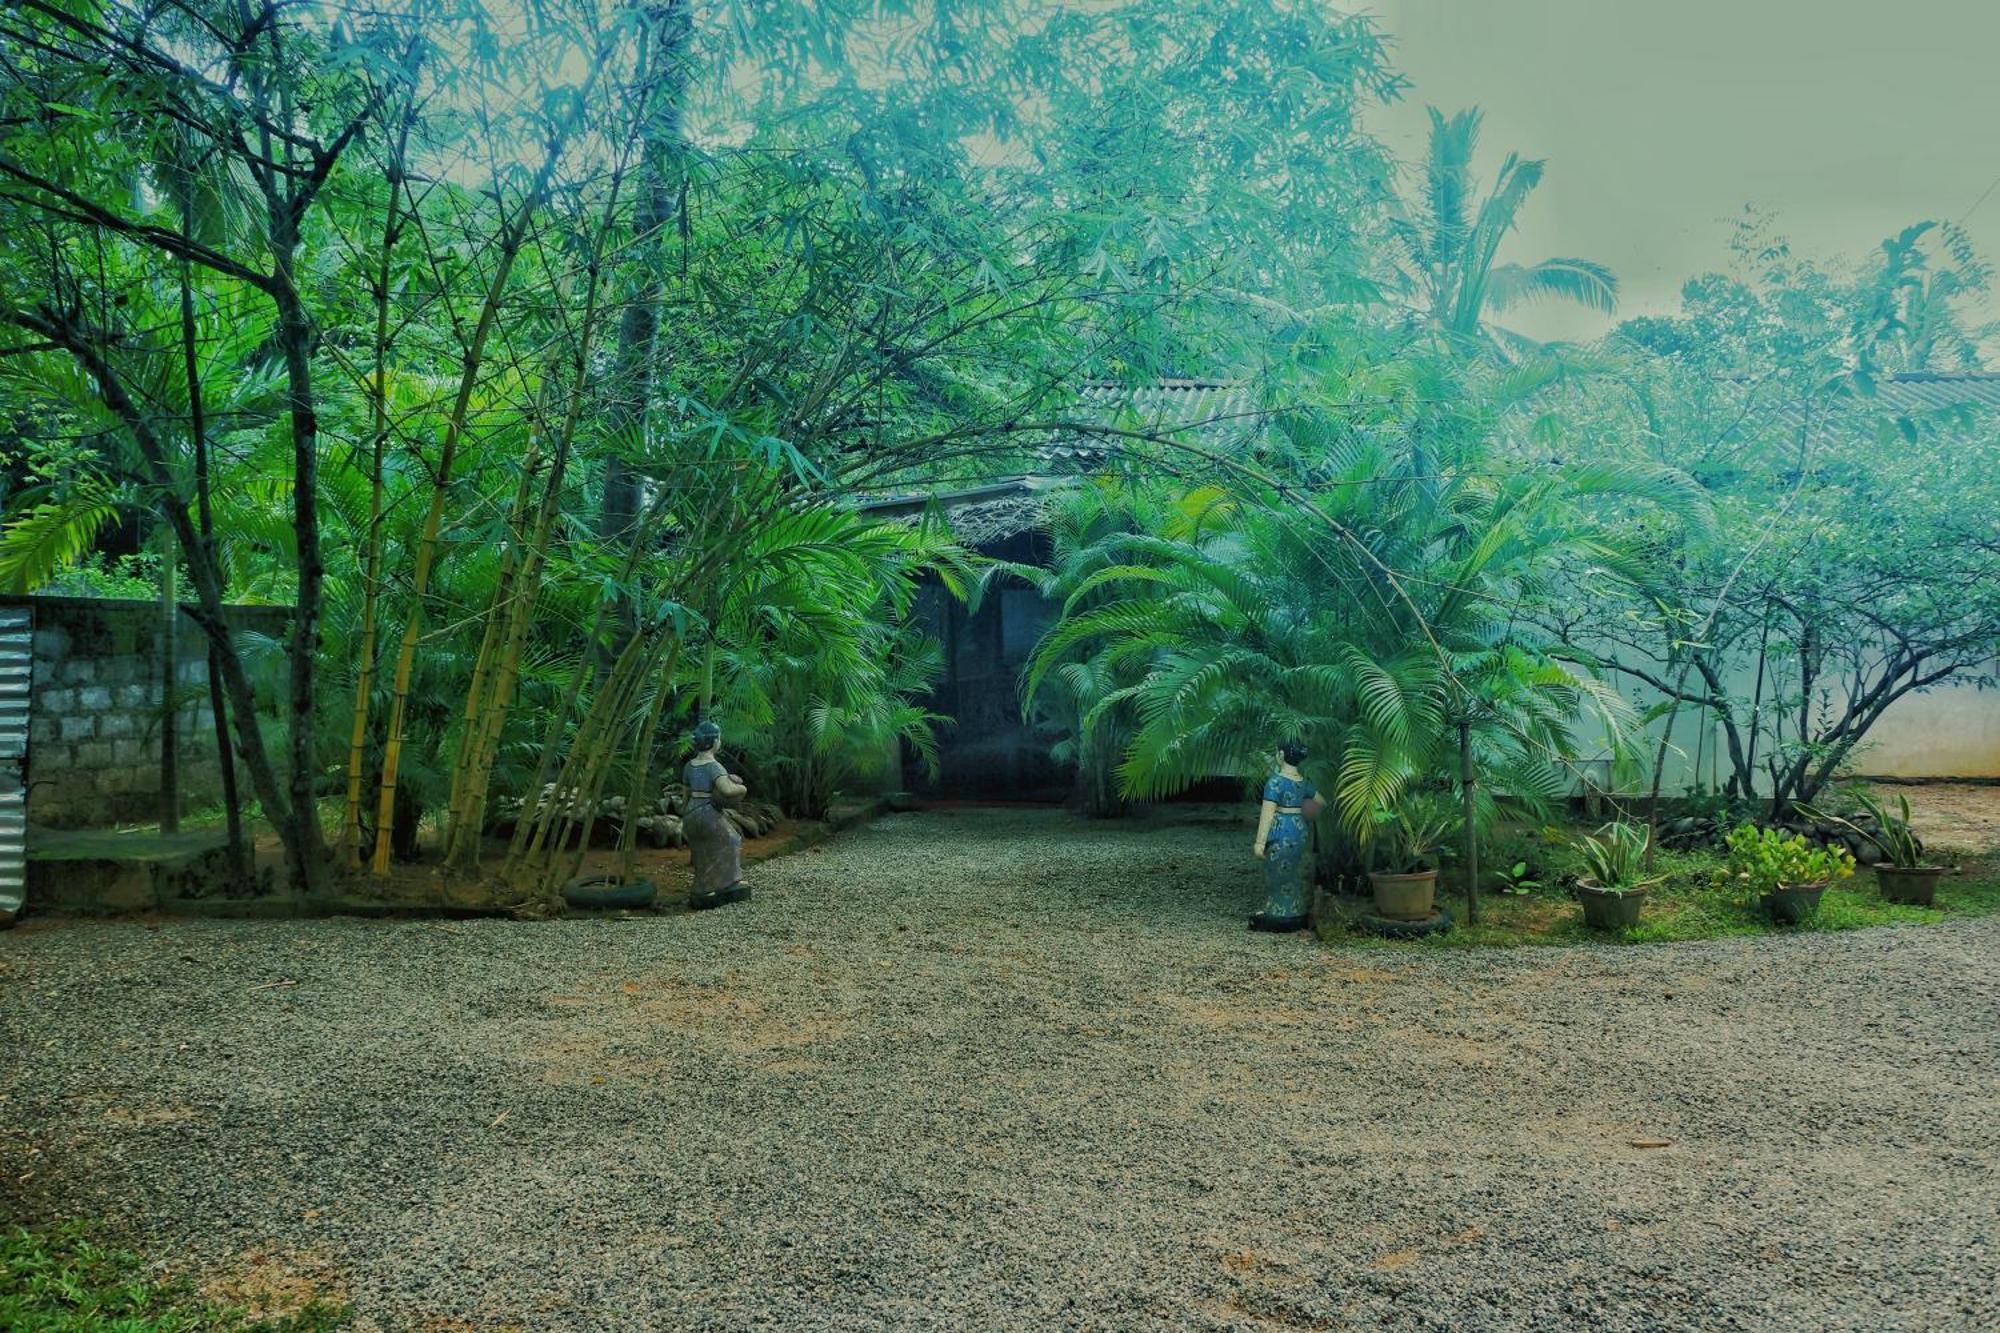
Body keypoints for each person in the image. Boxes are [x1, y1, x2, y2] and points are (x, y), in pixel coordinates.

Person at [1250, 739, 1317, 932]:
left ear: (1280, 755)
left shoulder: (1275, 782)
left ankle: (1279, 913)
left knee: (1277, 871)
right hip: (1299, 828)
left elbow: (1267, 813)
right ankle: (1296, 909)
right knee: (1293, 871)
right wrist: (1304, 815)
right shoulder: (1303, 783)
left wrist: (1259, 843)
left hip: (1281, 830)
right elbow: (1321, 801)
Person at [683, 719, 749, 910]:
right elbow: (727, 790)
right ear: (713, 742)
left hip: (691, 813)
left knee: (702, 850)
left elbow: (685, 794)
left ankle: (702, 885)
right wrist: (742, 788)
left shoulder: (689, 765)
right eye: (719, 738)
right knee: (732, 840)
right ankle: (724, 884)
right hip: (706, 811)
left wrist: (685, 813)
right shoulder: (714, 766)